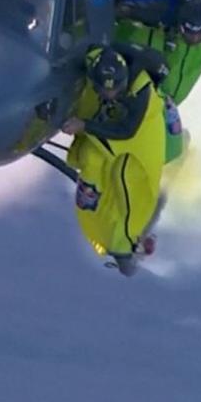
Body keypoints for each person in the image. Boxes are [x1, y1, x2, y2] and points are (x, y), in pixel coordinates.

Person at [62, 44, 168, 276]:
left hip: (139, 138)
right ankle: (117, 236)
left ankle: (125, 245)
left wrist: (85, 126)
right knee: (92, 160)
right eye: (103, 89)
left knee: (130, 179)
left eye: (115, 89)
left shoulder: (140, 92)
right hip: (110, 128)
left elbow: (127, 131)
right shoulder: (94, 59)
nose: (109, 94)